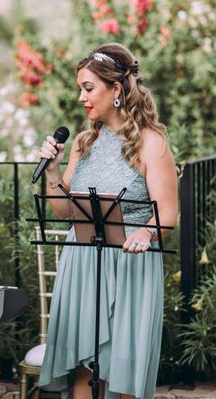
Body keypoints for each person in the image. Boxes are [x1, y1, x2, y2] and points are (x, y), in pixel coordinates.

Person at [36, 43, 178, 399]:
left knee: (122, 367)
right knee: (86, 369)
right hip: (84, 262)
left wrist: (146, 233)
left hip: (130, 263)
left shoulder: (151, 143)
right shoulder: (84, 142)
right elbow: (64, 210)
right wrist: (52, 172)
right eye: (80, 89)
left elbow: (168, 215)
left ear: (116, 90)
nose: (82, 97)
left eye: (88, 88)